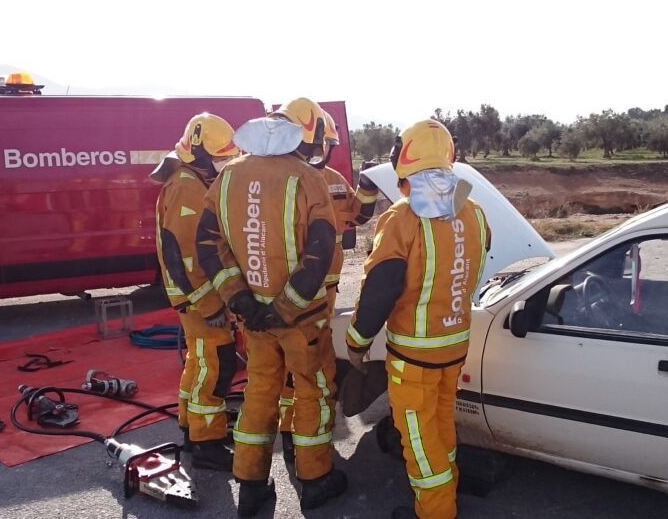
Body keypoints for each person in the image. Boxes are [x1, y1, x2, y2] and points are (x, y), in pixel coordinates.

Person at [195, 97, 347, 516]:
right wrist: (285, 308)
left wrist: (240, 299)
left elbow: (208, 245)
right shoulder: (308, 178)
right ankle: (315, 479)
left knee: (260, 394)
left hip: (255, 320)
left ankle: (251, 486)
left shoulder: (228, 177)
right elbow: (319, 252)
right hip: (301, 321)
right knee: (313, 391)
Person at [344, 119, 491, 519]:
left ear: (402, 161)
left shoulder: (402, 218)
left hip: (413, 359)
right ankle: (448, 492)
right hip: (454, 348)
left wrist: (356, 344)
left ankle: (436, 512)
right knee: (440, 427)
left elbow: (380, 291)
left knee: (419, 442)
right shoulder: (475, 213)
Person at [277, 108, 379, 462]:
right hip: (293, 289)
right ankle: (291, 431)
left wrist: (367, 187)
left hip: (327, 289)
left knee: (316, 359)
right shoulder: (281, 179)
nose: (323, 150)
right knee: (295, 364)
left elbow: (359, 214)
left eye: (328, 145)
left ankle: (311, 425)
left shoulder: (334, 179)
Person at [151, 113, 239, 471]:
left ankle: (193, 427)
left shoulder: (194, 179)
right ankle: (207, 443)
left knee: (199, 362)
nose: (225, 162)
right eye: (221, 156)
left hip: (195, 299)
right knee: (217, 365)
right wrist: (210, 304)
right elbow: (188, 254)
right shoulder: (187, 187)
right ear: (199, 153)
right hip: (200, 299)